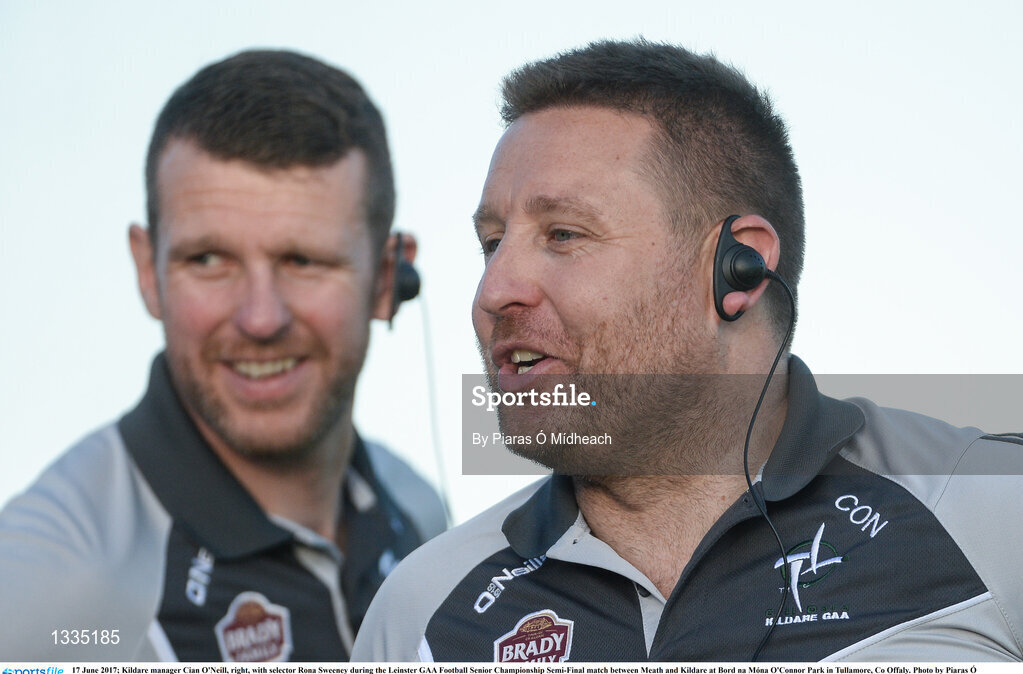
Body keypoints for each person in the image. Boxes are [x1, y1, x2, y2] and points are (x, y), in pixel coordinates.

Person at [352, 39, 1023, 662]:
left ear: (737, 268)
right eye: (492, 242)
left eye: (563, 234)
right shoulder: (420, 610)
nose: (493, 290)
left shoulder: (987, 511)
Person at [0, 49, 446, 662]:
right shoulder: (45, 587)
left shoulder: (418, 511)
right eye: (208, 259)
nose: (260, 318)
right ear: (147, 271)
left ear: (387, 277)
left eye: (304, 259)